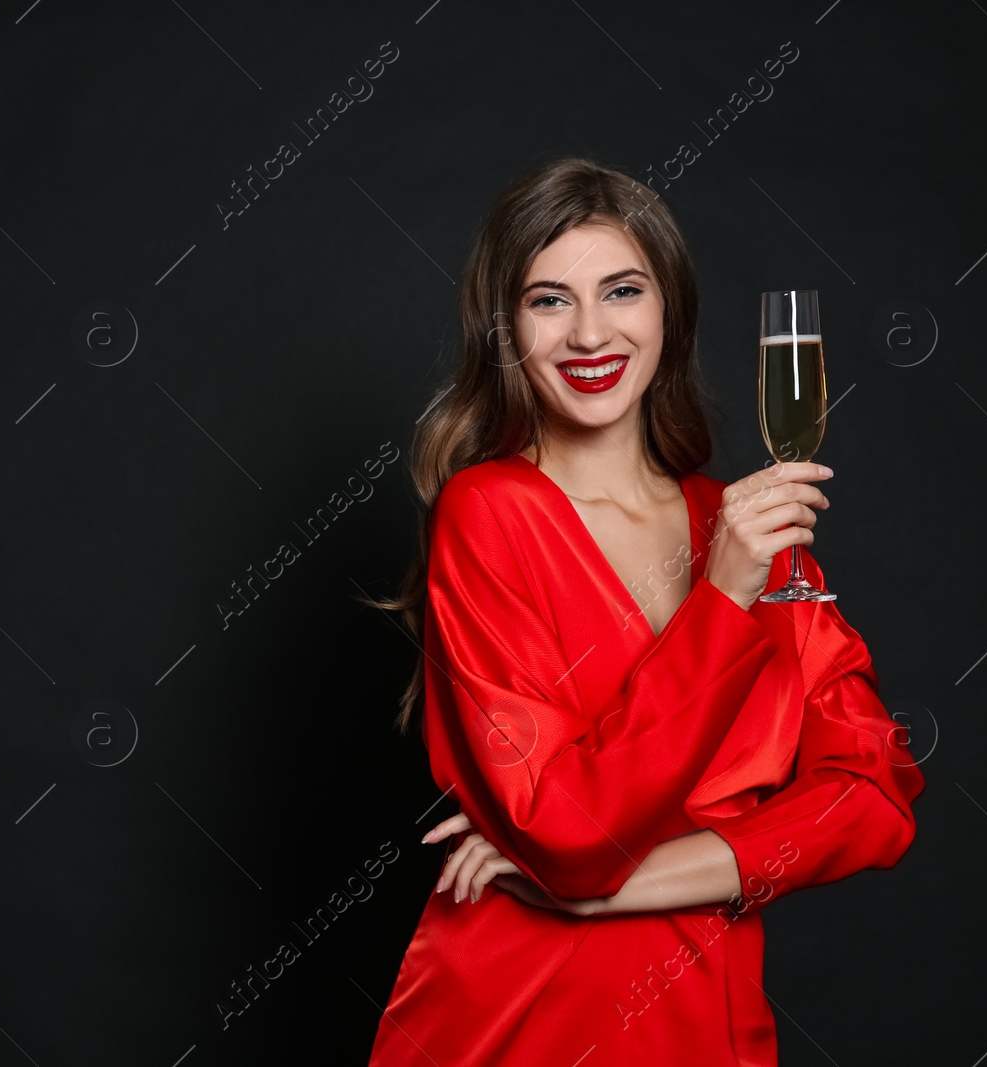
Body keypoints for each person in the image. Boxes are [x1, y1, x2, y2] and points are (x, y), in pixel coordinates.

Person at [362, 157, 925, 1065]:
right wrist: (720, 601)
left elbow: (873, 797)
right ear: (506, 329)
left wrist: (607, 887)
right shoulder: (490, 511)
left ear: (670, 309)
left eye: (622, 289)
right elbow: (572, 833)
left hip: (711, 1019)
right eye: (549, 300)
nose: (590, 331)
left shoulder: (747, 531)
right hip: (524, 1015)